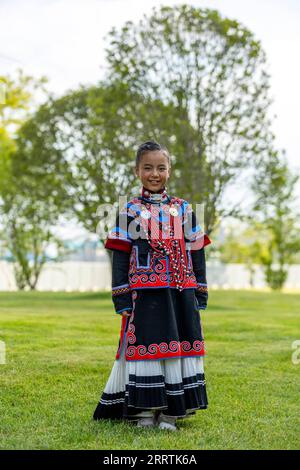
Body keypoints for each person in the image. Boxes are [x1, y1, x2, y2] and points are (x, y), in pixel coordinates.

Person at [93, 140, 212, 431]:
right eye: (148, 168)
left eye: (161, 168)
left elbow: (197, 251)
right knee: (147, 348)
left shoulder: (184, 210)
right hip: (143, 295)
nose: (154, 174)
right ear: (137, 171)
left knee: (178, 347)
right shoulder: (128, 211)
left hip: (179, 291)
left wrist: (200, 289)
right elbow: (120, 256)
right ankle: (145, 411)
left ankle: (171, 413)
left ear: (169, 171)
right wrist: (121, 298)